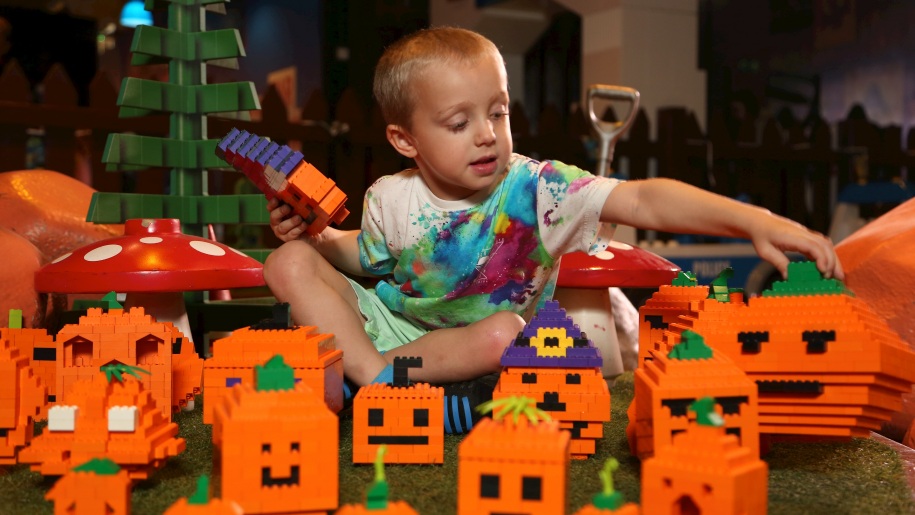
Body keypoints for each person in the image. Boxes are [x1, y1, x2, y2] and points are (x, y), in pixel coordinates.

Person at [264, 26, 843, 431]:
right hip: (389, 335)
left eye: (498, 111)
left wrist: (754, 220)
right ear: (404, 140)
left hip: (472, 347)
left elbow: (643, 199)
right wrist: (311, 238)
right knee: (284, 264)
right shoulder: (390, 196)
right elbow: (365, 261)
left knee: (503, 332)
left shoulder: (540, 192)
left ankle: (391, 385)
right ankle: (374, 377)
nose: (487, 134)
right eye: (459, 122)